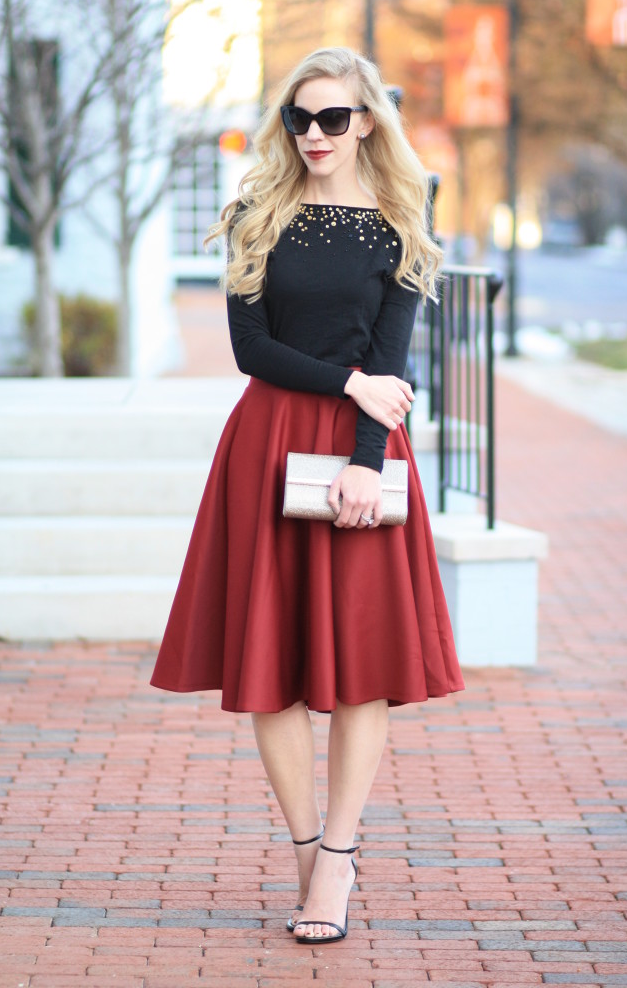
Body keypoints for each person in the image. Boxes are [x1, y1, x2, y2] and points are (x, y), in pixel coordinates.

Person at [151, 46, 464, 944]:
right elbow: (252, 352)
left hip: (363, 446)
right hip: (270, 437)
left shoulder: (401, 220)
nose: (315, 134)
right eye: (300, 118)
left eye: (332, 117)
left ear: (367, 120)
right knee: (271, 665)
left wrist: (369, 457)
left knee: (361, 659)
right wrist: (348, 386)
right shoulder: (258, 211)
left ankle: (341, 851)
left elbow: (393, 363)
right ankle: (307, 853)